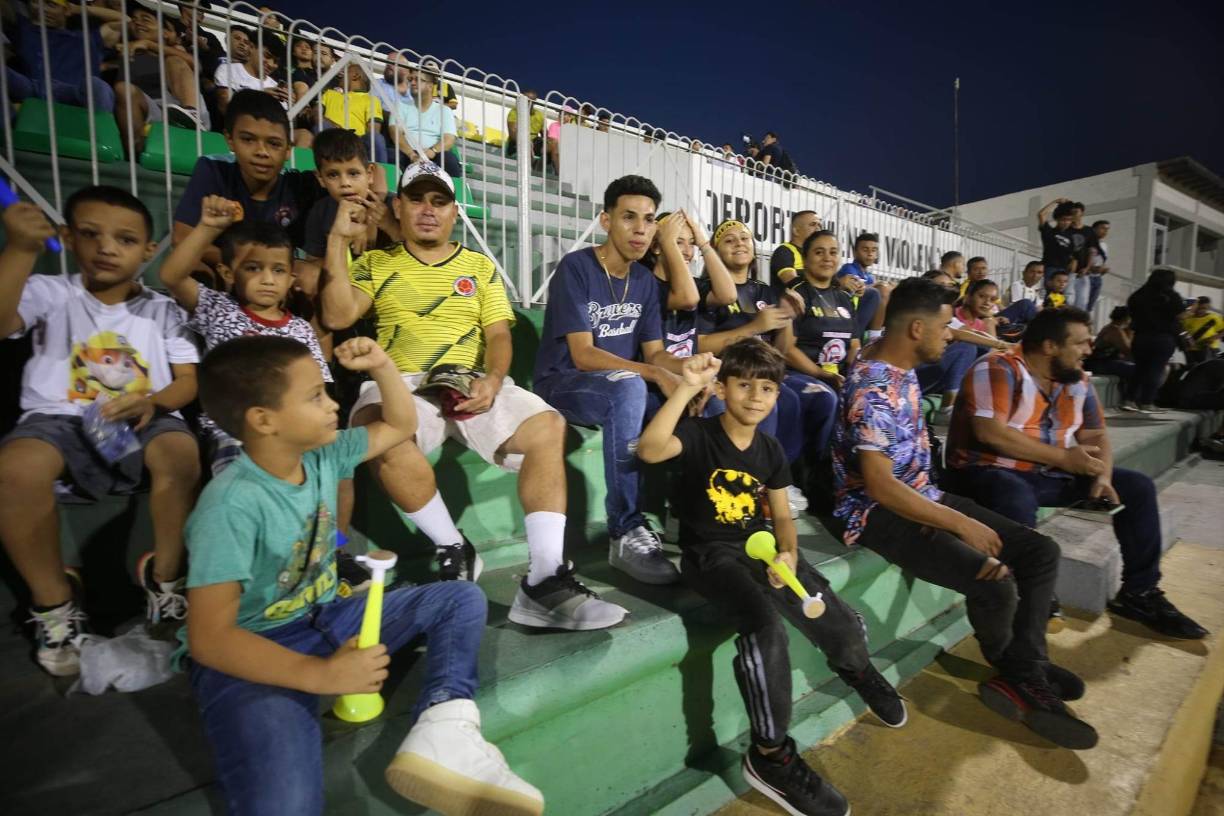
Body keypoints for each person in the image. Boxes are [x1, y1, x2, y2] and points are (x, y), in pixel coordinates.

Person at [182, 335, 544, 816]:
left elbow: (399, 424)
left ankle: (446, 724)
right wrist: (320, 674)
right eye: (315, 396)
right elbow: (210, 639)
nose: (334, 404)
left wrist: (382, 365)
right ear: (262, 420)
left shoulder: (322, 456)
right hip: (253, 653)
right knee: (285, 804)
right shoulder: (230, 505)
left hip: (327, 615)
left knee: (459, 598)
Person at [320, 163, 624, 629]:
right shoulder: (376, 264)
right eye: (417, 200)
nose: (428, 211)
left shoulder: (478, 265)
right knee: (380, 433)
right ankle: (452, 545)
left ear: (453, 213)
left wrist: (494, 380)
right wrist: (339, 240)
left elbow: (498, 335)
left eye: (439, 202)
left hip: (469, 376)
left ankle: (544, 581)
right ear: (397, 208)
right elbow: (338, 316)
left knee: (548, 426)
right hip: (400, 379)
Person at [639, 341, 904, 816]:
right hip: (710, 557)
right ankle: (771, 757)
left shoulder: (770, 449)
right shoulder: (699, 434)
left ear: (778, 396)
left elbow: (781, 515)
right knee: (765, 627)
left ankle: (858, 670)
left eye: (766, 388)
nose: (755, 397)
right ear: (722, 388)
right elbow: (651, 448)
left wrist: (788, 553)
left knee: (835, 620)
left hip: (760, 548)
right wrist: (686, 388)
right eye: (743, 385)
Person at [834, 277, 1098, 749]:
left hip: (923, 493)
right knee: (994, 580)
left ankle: (1025, 667)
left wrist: (1002, 340)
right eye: (944, 326)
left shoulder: (894, 353)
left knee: (1040, 552)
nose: (951, 334)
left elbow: (949, 330)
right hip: (878, 511)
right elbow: (878, 484)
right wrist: (960, 523)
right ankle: (1018, 673)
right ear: (916, 329)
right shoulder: (871, 388)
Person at [0, 186, 202, 676]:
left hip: (144, 415)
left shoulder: (164, 310)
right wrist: (21, 249)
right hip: (58, 420)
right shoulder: (50, 291)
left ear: (148, 251)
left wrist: (152, 402)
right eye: (91, 235)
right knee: (16, 468)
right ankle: (55, 607)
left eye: (125, 239)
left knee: (180, 452)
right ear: (68, 238)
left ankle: (167, 582)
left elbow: (188, 383)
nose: (107, 248)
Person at [944, 307, 1207, 641]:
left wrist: (1102, 477)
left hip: (1045, 472)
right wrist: (1064, 459)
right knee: (1013, 493)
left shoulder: (1078, 379)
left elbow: (1095, 437)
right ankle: (1027, 594)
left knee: (1136, 487)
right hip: (984, 472)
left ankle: (1140, 594)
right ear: (1051, 346)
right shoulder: (997, 367)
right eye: (1081, 343)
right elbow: (990, 433)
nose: (1089, 350)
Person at [533, 175, 686, 586]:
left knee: (699, 396)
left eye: (650, 220)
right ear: (606, 220)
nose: (640, 229)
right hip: (563, 383)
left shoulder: (646, 283)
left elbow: (655, 354)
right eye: (629, 217)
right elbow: (583, 356)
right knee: (631, 386)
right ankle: (624, 529)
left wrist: (691, 373)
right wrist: (656, 373)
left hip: (620, 383)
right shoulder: (577, 267)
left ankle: (687, 514)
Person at [696, 220, 808, 515]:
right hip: (725, 372)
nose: (739, 243)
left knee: (796, 399)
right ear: (716, 252)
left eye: (745, 238)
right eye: (729, 240)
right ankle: (749, 486)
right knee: (760, 399)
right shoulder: (708, 291)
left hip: (763, 370)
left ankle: (776, 481)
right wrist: (755, 326)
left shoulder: (767, 292)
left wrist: (787, 317)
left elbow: (780, 351)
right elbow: (701, 343)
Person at [173, 90, 326, 278]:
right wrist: (247, 265)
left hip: (275, 277)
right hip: (227, 272)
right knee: (194, 269)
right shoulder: (214, 169)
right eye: (248, 139)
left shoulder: (298, 185)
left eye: (274, 143)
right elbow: (181, 237)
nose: (261, 152)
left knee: (311, 275)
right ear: (230, 140)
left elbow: (366, 173)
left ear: (288, 150)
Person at [783, 230, 857, 459]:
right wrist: (822, 374)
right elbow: (786, 350)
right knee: (827, 396)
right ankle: (815, 467)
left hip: (835, 375)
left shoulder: (844, 298)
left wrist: (855, 375)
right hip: (798, 374)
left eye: (833, 252)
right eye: (819, 252)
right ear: (805, 260)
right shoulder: (796, 295)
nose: (827, 258)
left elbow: (854, 346)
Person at [917, 272, 1012, 426]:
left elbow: (970, 333)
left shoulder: (945, 314)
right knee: (966, 347)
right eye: (941, 286)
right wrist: (1002, 345)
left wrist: (1000, 344)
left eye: (950, 285)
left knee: (982, 349)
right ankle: (947, 410)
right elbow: (959, 334)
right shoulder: (916, 310)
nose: (946, 289)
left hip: (929, 375)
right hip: (912, 374)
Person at [643, 209, 734, 361]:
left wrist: (703, 244)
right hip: (659, 378)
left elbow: (728, 295)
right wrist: (668, 241)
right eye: (678, 242)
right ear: (656, 247)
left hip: (689, 376)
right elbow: (688, 298)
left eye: (691, 243)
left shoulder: (693, 284)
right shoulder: (646, 286)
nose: (688, 252)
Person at [5, 0, 121, 113]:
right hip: (31, 88)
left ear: (66, 10)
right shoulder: (24, 28)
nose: (42, 9)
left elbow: (124, 20)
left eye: (51, 4)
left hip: (71, 94)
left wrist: (77, 9)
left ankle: (97, 131)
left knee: (98, 86)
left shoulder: (87, 39)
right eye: (36, 2)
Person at [1127, 267, 1191, 413]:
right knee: (1155, 370)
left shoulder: (1138, 295)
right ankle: (1147, 402)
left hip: (1140, 337)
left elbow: (1131, 312)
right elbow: (1181, 316)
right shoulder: (1171, 295)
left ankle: (1129, 399)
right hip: (1163, 338)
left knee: (1139, 369)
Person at [391, 63, 461, 177]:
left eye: (418, 80)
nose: (412, 83)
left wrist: (431, 152)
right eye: (410, 79)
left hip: (434, 154)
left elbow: (449, 138)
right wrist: (411, 154)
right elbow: (395, 133)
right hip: (406, 153)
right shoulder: (400, 106)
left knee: (450, 160)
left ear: (430, 86)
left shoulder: (444, 110)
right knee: (391, 155)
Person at [319, 61, 386, 162]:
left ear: (355, 76)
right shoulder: (330, 94)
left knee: (376, 138)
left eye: (345, 72)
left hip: (358, 142)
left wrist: (352, 139)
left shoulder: (371, 100)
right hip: (330, 136)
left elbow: (374, 130)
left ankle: (379, 173)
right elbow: (316, 114)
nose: (341, 74)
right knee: (322, 125)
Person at [213, 27, 284, 115]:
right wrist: (258, 97)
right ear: (251, 47)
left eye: (276, 62)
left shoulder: (275, 86)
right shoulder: (228, 70)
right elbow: (225, 107)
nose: (271, 64)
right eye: (267, 56)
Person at [834, 232, 890, 338]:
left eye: (873, 250)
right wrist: (878, 285)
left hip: (864, 316)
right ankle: (872, 339)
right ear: (855, 253)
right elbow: (857, 287)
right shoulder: (849, 268)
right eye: (865, 250)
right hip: (848, 315)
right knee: (881, 290)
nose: (870, 254)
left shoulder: (869, 276)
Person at [1085, 306, 1138, 410]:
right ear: (1127, 318)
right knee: (1136, 370)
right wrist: (1131, 332)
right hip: (1098, 364)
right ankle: (1129, 400)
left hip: (1103, 362)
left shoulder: (1114, 328)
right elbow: (1128, 351)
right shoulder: (1114, 330)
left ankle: (1132, 399)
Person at [768, 210, 821, 290]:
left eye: (819, 225)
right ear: (796, 231)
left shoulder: (816, 255)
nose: (818, 229)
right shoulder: (784, 251)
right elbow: (794, 284)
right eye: (812, 224)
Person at [1037, 198, 1079, 287]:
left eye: (1069, 220)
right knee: (1049, 295)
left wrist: (1074, 261)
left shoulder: (1071, 236)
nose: (1066, 222)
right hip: (1050, 268)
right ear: (1057, 219)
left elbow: (1074, 253)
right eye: (1063, 219)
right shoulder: (1049, 231)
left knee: (1060, 298)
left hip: (1064, 271)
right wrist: (1055, 201)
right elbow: (1041, 214)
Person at [505, 89, 546, 163]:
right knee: (526, 144)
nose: (529, 102)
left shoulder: (539, 115)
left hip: (534, 142)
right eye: (527, 100)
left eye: (532, 101)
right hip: (516, 141)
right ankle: (529, 169)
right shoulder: (514, 112)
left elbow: (545, 134)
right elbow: (513, 133)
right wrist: (526, 141)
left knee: (553, 146)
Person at [1000, 260, 1044, 326]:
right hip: (1007, 317)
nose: (1035, 275)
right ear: (1024, 273)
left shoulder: (1035, 289)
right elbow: (1021, 307)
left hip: (1022, 320)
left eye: (1039, 272)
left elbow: (1039, 308)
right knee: (1025, 303)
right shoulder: (1017, 285)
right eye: (1032, 271)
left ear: (1042, 275)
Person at [1182, 296, 1223, 366]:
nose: (1200, 311)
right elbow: (1183, 331)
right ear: (1195, 306)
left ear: (1208, 307)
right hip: (1191, 350)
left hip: (1210, 349)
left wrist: (1212, 338)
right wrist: (1187, 338)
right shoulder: (1187, 318)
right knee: (1193, 371)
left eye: (1204, 308)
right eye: (1198, 308)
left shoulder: (1214, 317)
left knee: (1208, 371)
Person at [1082, 220, 1111, 314]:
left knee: (1090, 307)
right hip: (1086, 276)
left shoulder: (1104, 245)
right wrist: (1092, 268)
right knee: (1082, 304)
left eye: (1107, 229)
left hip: (1097, 278)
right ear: (1094, 229)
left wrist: (1103, 270)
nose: (1105, 231)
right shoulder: (1086, 243)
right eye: (1102, 228)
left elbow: (1102, 262)